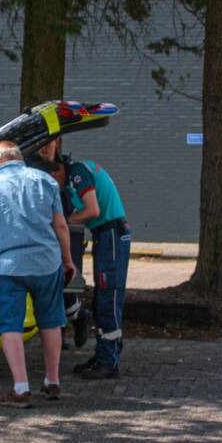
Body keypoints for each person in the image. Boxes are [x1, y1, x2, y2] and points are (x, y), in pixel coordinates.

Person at [0, 141, 76, 408]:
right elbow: (60, 224)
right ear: (19, 158)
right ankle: (52, 381)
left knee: (10, 323)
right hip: (47, 263)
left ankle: (21, 388)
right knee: (50, 320)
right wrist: (68, 261)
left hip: (9, 266)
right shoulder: (45, 180)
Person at [66, 156, 131, 380]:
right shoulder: (80, 169)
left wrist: (64, 221)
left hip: (110, 235)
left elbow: (92, 210)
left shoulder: (76, 172)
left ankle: (108, 362)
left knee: (108, 298)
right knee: (101, 297)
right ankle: (103, 355)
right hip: (107, 235)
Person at [32, 137, 90, 350]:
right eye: (41, 143)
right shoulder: (29, 166)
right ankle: (62, 327)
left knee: (61, 284)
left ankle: (72, 321)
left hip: (58, 229)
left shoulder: (65, 167)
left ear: (58, 143)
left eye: (49, 143)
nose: (45, 147)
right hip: (38, 234)